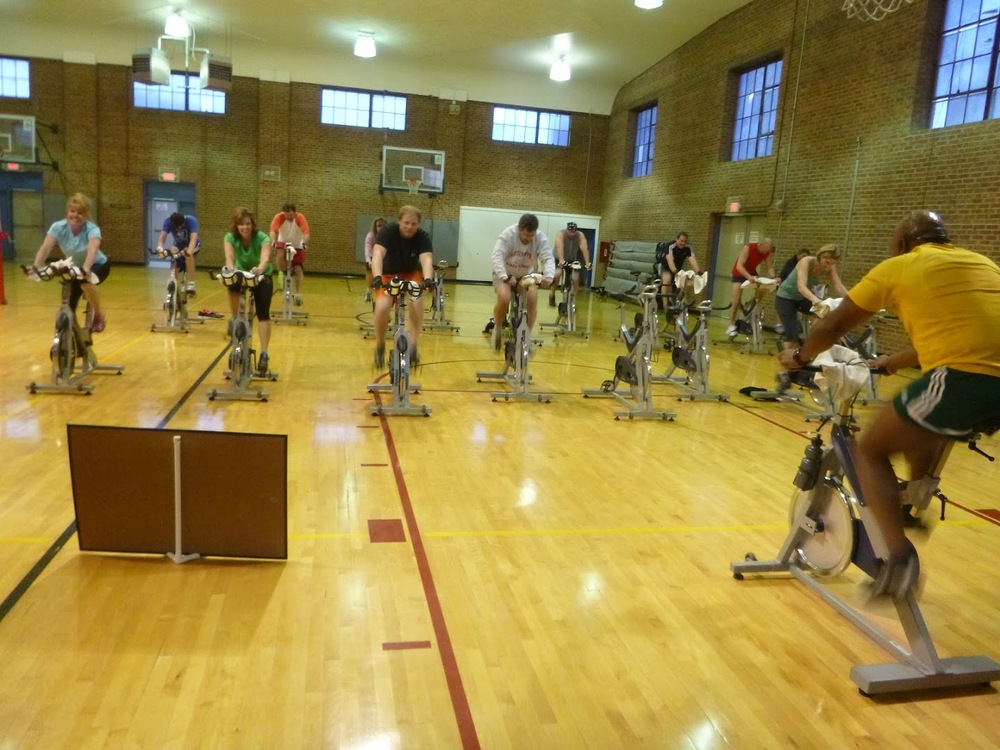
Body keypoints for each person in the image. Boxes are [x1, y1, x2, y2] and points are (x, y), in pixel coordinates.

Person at [779, 211, 1000, 598]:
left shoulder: (900, 266)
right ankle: (912, 501)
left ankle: (899, 560)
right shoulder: (980, 264)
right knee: (918, 418)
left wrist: (798, 358)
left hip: (966, 378)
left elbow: (832, 326)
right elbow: (972, 330)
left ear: (900, 245)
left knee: (872, 448)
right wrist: (896, 362)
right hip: (982, 377)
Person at [31, 192, 109, 332]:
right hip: (74, 266)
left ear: (86, 215)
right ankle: (69, 337)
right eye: (72, 211)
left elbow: (92, 249)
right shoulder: (58, 227)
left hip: (97, 265)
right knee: (68, 302)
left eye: (80, 212)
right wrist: (36, 266)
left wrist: (86, 268)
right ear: (67, 211)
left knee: (85, 283)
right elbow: (46, 247)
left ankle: (98, 315)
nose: (75, 215)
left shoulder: (92, 229)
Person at [774, 244, 849, 390]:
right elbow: (801, 286)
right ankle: (783, 372)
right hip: (786, 298)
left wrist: (852, 301)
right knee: (792, 333)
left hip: (803, 299)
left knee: (825, 316)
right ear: (820, 257)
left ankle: (810, 348)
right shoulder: (806, 261)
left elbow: (838, 286)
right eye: (827, 263)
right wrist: (814, 299)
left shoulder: (830, 267)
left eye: (832, 264)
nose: (829, 266)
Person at [370, 205, 435, 368]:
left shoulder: (422, 237)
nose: (409, 227)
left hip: (411, 273)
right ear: (399, 221)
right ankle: (380, 345)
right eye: (406, 223)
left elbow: (426, 260)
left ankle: (413, 345)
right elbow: (377, 254)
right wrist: (377, 276)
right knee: (382, 307)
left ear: (418, 224)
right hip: (388, 274)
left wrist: (428, 279)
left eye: (414, 224)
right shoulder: (387, 232)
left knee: (417, 300)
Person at [491, 213, 556, 351]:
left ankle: (526, 337)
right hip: (505, 273)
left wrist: (549, 276)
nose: (528, 239)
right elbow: (497, 256)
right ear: (519, 229)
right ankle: (497, 327)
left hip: (525, 275)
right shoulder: (508, 235)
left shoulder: (540, 238)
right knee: (504, 297)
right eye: (525, 235)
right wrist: (505, 277)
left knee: (532, 299)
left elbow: (548, 258)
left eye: (531, 236)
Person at [224, 207, 274, 375]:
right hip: (241, 274)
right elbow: (229, 258)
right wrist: (230, 269)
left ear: (252, 225)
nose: (245, 227)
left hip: (260, 276)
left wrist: (260, 268)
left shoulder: (262, 238)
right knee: (231, 284)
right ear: (236, 226)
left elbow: (265, 258)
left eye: (247, 224)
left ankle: (264, 353)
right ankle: (234, 319)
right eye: (241, 224)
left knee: (263, 314)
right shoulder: (230, 237)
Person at [727, 237, 775, 337]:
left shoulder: (767, 252)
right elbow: (739, 266)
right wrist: (748, 277)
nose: (768, 251)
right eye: (767, 249)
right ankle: (731, 325)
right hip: (740, 273)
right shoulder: (748, 248)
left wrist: (773, 278)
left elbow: (769, 267)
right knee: (736, 301)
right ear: (761, 245)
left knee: (763, 288)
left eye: (769, 249)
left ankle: (750, 304)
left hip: (751, 272)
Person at [269, 203, 310, 306]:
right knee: (279, 253)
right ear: (283, 213)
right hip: (283, 242)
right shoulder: (279, 217)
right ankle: (283, 273)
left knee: (298, 268)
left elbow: (306, 232)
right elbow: (273, 230)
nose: (289, 217)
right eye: (286, 215)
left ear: (294, 213)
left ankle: (298, 293)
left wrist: (304, 243)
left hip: (297, 244)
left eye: (291, 215)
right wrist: (273, 240)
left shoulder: (300, 217)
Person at [156, 211, 200, 295]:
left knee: (188, 255)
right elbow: (162, 237)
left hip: (193, 244)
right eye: (177, 226)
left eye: (181, 225)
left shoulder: (191, 221)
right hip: (179, 245)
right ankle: (173, 283)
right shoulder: (168, 221)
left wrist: (188, 252)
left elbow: (193, 238)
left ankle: (192, 283)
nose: (180, 227)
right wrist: (160, 249)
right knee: (174, 253)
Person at [655, 231, 701, 311]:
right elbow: (670, 260)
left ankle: (678, 301)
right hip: (666, 267)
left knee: (685, 280)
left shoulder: (688, 248)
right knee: (667, 279)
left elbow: (692, 260)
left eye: (685, 241)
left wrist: (699, 272)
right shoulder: (670, 246)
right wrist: (675, 272)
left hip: (678, 269)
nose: (683, 243)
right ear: (677, 239)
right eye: (681, 241)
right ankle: (665, 306)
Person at [549, 221, 591, 307]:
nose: (572, 234)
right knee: (558, 274)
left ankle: (573, 301)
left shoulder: (580, 235)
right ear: (567, 230)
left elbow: (584, 248)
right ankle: (552, 295)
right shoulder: (561, 234)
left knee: (575, 278)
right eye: (570, 231)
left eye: (574, 232)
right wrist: (561, 260)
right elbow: (560, 247)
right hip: (558, 258)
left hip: (571, 259)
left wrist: (587, 263)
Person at [364, 217, 387, 303]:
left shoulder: (388, 236)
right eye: (379, 226)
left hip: (384, 258)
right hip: (372, 257)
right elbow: (367, 249)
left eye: (383, 226)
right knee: (370, 271)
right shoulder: (371, 236)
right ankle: (368, 291)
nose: (381, 228)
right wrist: (369, 261)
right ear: (375, 227)